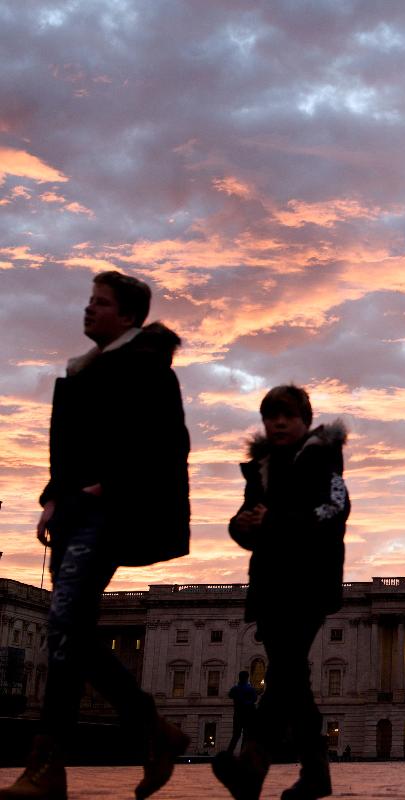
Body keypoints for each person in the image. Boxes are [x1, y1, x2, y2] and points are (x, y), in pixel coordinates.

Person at [1, 271, 191, 800]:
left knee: (64, 622)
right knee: (69, 631)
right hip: (76, 510)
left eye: (100, 303)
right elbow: (69, 448)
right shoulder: (83, 372)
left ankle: (50, 762)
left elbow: (168, 444)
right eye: (88, 301)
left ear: (127, 316)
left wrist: (110, 485)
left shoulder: (149, 367)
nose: (88, 310)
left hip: (113, 510)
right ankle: (143, 731)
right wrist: (53, 496)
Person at [212, 386, 349, 800]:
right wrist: (243, 525)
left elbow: (334, 510)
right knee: (291, 678)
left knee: (287, 671)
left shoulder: (322, 460)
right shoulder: (262, 468)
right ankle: (313, 772)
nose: (279, 423)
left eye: (287, 415)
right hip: (270, 584)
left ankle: (254, 766)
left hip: (309, 582)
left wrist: (275, 521)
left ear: (306, 420)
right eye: (271, 416)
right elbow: (247, 517)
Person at [226, 670, 257, 754]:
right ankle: (242, 754)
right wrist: (247, 702)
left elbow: (229, 695)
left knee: (235, 736)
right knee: (246, 736)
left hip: (238, 714)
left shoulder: (235, 688)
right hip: (248, 715)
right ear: (247, 678)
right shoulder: (250, 689)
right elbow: (254, 699)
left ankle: (229, 754)